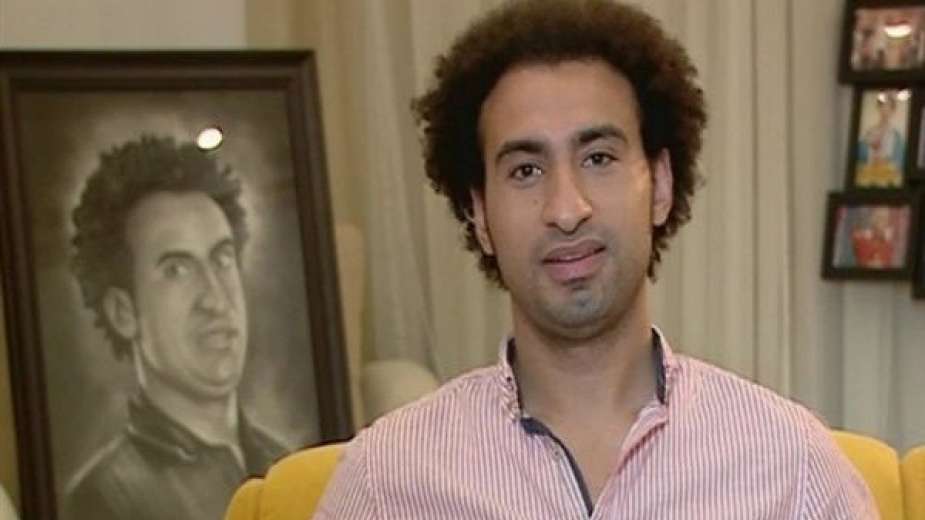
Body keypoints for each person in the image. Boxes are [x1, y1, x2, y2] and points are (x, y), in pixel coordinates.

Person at [316, 0, 878, 517]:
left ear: (660, 185)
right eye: (526, 170)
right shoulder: (385, 483)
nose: (566, 209)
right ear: (480, 214)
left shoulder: (791, 469)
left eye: (599, 158)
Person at [65, 135, 287, 520]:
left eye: (222, 259)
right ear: (123, 312)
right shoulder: (104, 497)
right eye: (177, 270)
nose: (215, 299)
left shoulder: (284, 461)